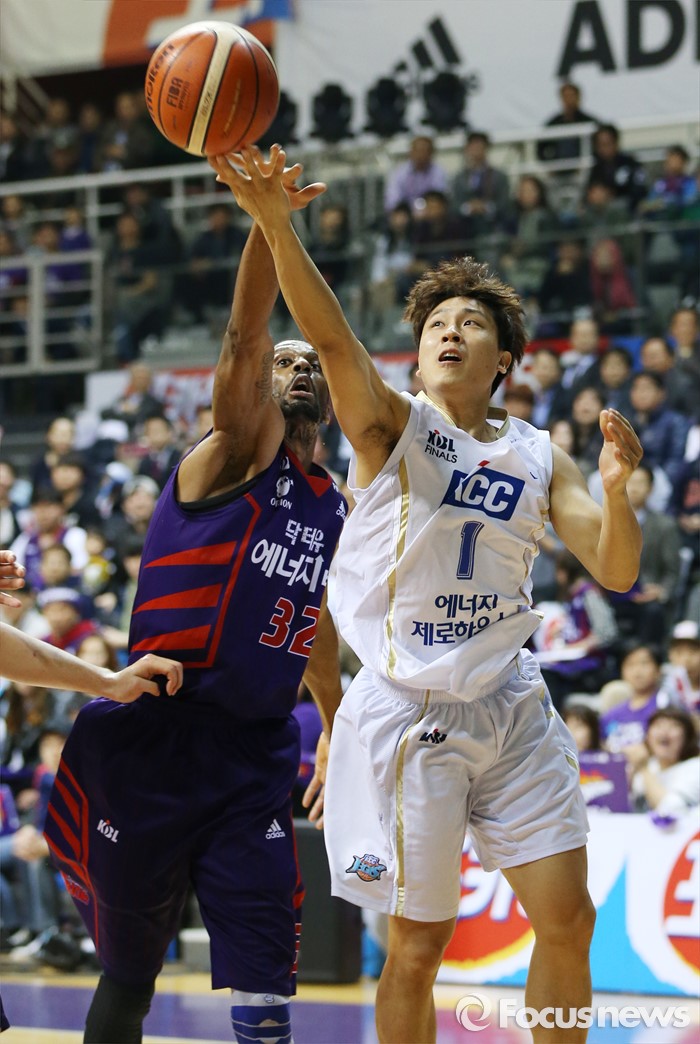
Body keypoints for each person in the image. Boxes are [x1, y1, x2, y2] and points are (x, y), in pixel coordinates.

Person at [212, 143, 644, 1044]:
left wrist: (615, 491)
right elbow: (334, 338)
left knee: (570, 919)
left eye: (469, 323)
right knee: (418, 944)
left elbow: (616, 570)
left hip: (512, 703)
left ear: (505, 357)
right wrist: (277, 227)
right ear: (416, 356)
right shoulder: (390, 427)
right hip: (411, 714)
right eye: (436, 323)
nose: (449, 331)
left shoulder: (538, 453)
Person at [44, 160, 347, 1044]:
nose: (295, 366)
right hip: (154, 732)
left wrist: (333, 721)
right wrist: (268, 222)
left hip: (251, 756)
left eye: (310, 361)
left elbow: (311, 615)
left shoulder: (331, 503)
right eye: (284, 362)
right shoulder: (226, 457)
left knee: (267, 972)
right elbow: (247, 334)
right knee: (130, 975)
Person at [629, 707, 700, 817]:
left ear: (687, 737)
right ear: (647, 736)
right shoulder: (648, 765)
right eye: (658, 725)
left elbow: (670, 811)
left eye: (673, 726)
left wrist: (643, 768)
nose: (664, 731)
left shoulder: (695, 767)